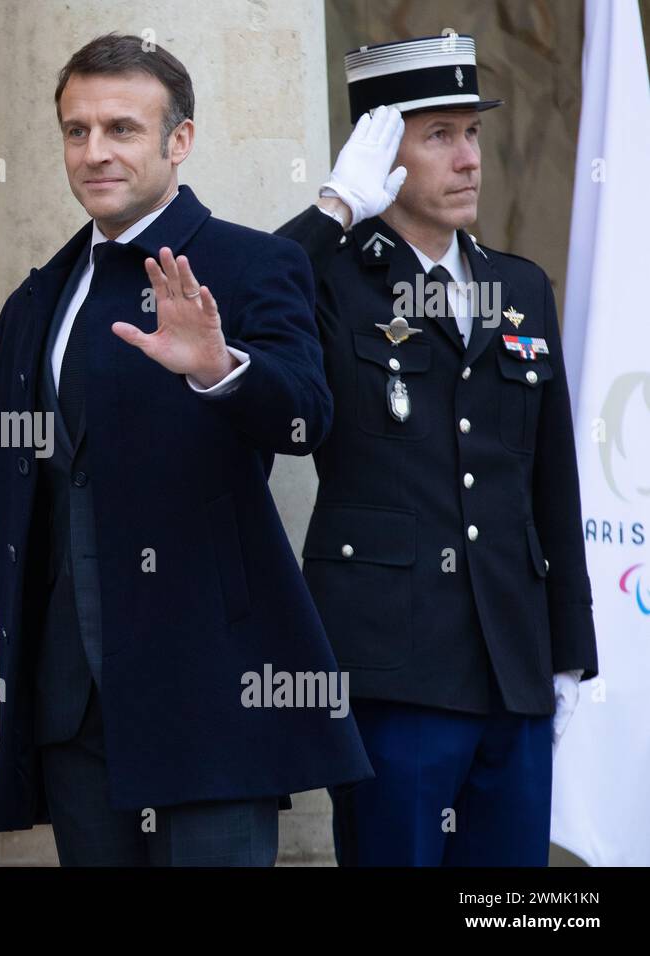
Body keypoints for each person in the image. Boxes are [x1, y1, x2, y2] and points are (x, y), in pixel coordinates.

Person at [0, 32, 373, 866]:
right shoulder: (35, 299)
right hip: (72, 701)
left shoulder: (252, 264)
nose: (95, 152)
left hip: (212, 693)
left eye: (122, 128)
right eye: (76, 131)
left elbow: (306, 418)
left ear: (178, 140)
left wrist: (223, 368)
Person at [275, 33, 598, 866]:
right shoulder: (329, 279)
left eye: (474, 133)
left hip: (513, 662)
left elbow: (549, 481)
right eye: (439, 136)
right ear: (381, 150)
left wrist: (569, 651)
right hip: (395, 668)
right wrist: (333, 207)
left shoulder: (518, 286)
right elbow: (237, 304)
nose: (468, 160)